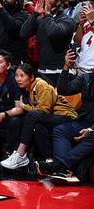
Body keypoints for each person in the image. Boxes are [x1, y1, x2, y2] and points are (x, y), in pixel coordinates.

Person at [0, 63, 78, 170]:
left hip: (67, 117)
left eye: (22, 76)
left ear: (31, 77)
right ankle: (49, 158)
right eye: (16, 76)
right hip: (53, 117)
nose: (18, 79)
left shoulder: (41, 84)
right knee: (38, 126)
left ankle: (20, 153)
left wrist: (24, 106)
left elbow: (44, 110)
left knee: (32, 115)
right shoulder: (29, 89)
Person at [36, 50, 94, 184]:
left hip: (92, 128)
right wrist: (66, 66)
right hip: (85, 121)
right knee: (61, 130)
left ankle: (58, 166)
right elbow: (63, 90)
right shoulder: (87, 78)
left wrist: (91, 130)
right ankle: (64, 171)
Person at [20, 0, 77, 85]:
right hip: (43, 69)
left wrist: (47, 13)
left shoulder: (67, 20)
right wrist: (35, 13)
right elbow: (23, 33)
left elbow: (54, 33)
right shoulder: (40, 19)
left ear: (58, 2)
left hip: (62, 70)